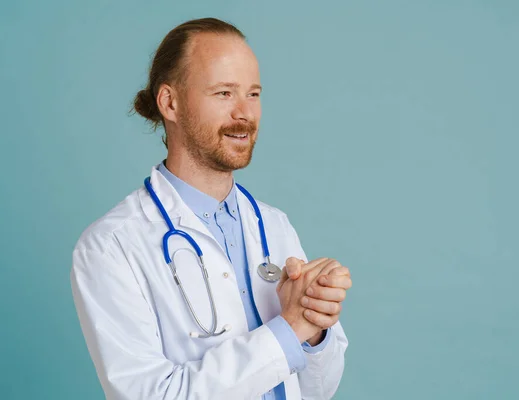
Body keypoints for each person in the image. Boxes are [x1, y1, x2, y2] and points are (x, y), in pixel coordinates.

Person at [70, 17, 352, 400]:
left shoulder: (273, 224)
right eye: (224, 93)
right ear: (170, 102)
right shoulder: (111, 246)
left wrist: (315, 328)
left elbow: (316, 391)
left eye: (253, 94)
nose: (245, 114)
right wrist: (289, 329)